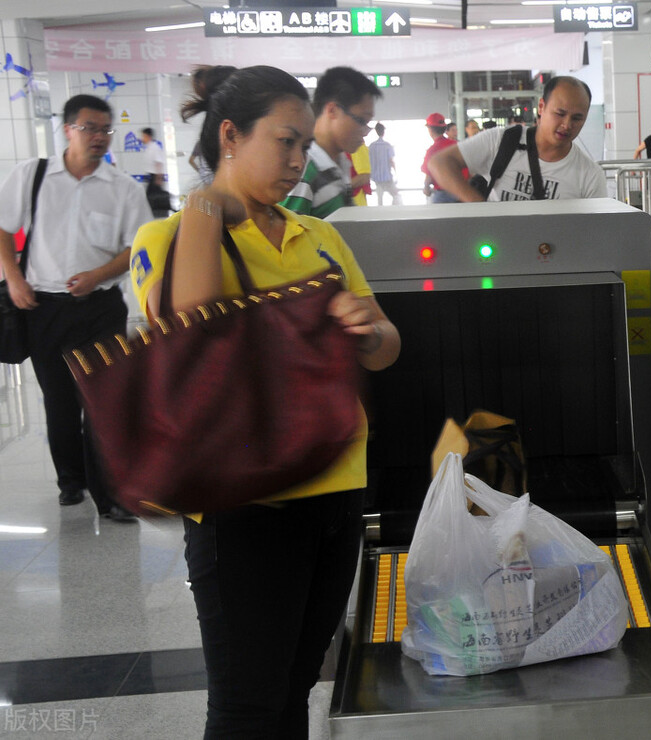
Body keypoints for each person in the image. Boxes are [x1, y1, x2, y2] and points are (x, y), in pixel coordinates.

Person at [128, 64, 400, 736]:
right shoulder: (168, 238)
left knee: (295, 684)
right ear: (229, 134)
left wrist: (363, 330)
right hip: (243, 503)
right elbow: (194, 330)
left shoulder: (321, 237)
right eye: (284, 141)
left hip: (336, 487)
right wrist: (205, 203)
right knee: (247, 704)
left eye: (305, 145)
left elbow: (390, 342)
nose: (298, 159)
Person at [0, 94, 153, 522]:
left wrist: (98, 273)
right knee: (60, 402)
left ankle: (112, 496)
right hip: (43, 307)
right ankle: (71, 480)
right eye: (90, 128)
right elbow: (2, 226)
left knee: (103, 402)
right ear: (67, 129)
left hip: (99, 308)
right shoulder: (31, 176)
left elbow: (137, 246)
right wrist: (13, 278)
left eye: (106, 129)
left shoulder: (123, 189)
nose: (100, 137)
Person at [427, 76, 606, 203]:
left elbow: (596, 231)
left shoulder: (590, 175)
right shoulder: (501, 141)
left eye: (577, 118)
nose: (567, 125)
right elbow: (439, 163)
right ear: (542, 107)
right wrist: (480, 208)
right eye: (560, 114)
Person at [279, 66, 380, 218]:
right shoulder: (303, 168)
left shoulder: (340, 163)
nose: (365, 131)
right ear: (332, 110)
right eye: (361, 120)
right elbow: (287, 238)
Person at [421, 112, 459, 203]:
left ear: (430, 130)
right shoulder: (456, 145)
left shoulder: (432, 151)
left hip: (443, 196)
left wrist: (426, 188)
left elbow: (429, 176)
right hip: (461, 193)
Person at [368, 123, 398, 206]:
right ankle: (393, 213)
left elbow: (368, 162)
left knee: (379, 200)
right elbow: (391, 161)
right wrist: (396, 174)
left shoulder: (371, 146)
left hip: (376, 178)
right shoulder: (388, 146)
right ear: (383, 132)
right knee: (396, 196)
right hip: (387, 177)